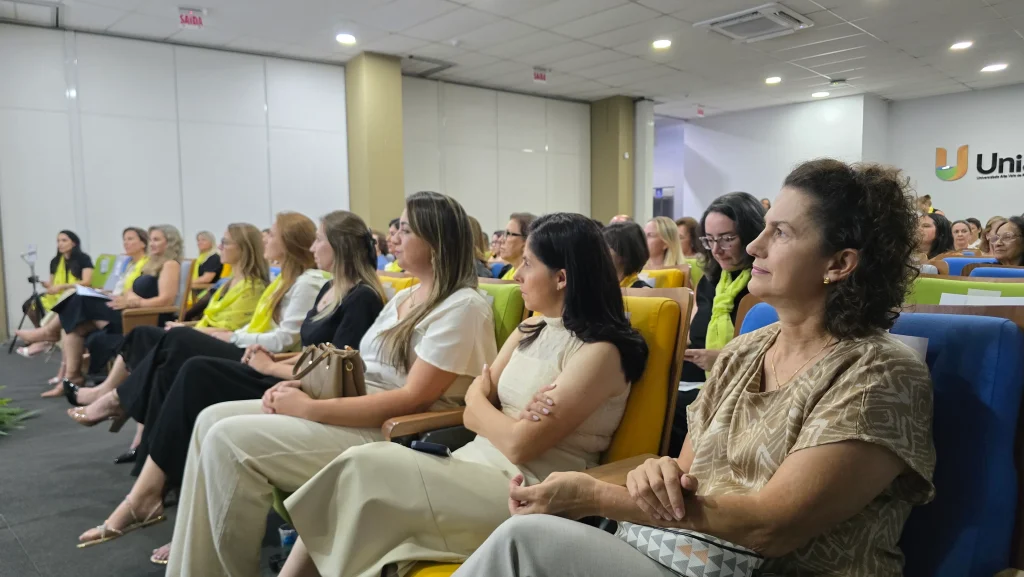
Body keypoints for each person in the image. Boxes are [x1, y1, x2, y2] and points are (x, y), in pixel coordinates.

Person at [462, 159, 935, 577]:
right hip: (681, 557)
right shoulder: (746, 351)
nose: (754, 247)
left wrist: (591, 494)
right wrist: (657, 474)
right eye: (764, 228)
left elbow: (772, 527)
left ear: (840, 262)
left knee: (523, 546)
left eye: (781, 233)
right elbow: (683, 473)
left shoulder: (881, 374)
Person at [268, 212, 648, 577]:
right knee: (357, 467)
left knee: (363, 473)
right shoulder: (531, 328)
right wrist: (487, 407)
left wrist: (484, 403)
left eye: (528, 264)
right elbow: (472, 408)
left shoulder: (599, 352)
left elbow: (520, 446)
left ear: (562, 277)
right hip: (470, 463)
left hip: (527, 489)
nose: (516, 274)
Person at [164, 191, 499, 575]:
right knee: (210, 419)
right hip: (354, 406)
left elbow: (412, 399)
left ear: (437, 243)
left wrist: (310, 408)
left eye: (406, 230)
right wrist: (302, 387)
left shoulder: (463, 307)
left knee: (229, 442)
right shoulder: (404, 296)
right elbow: (360, 366)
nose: (394, 237)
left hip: (391, 431)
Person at [74, 212, 386, 558]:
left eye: (320, 239)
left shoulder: (361, 298)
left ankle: (142, 477)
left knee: (191, 367)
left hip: (306, 391)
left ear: (339, 247)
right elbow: (309, 352)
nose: (313, 245)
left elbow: (338, 371)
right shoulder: (330, 287)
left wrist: (270, 364)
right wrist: (271, 358)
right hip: (287, 372)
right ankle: (154, 497)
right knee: (183, 367)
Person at [64, 214, 318, 448]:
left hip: (253, 353)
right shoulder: (276, 281)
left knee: (169, 341)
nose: (266, 239)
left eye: (271, 235)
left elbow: (280, 338)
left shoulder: (276, 285)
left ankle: (116, 401)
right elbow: (246, 326)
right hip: (244, 344)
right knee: (150, 340)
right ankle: (133, 425)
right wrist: (200, 329)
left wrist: (218, 334)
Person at [672, 192, 765, 456]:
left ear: (750, 234)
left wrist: (722, 359)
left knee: (677, 410)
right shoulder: (712, 281)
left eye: (727, 238)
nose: (716, 249)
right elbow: (692, 333)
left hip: (741, 387)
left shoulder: (763, 284)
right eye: (710, 240)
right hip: (701, 378)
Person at [48, 225, 183, 397]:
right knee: (75, 325)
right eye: (151, 239)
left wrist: (137, 304)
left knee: (80, 299)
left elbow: (166, 300)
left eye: (157, 239)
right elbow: (132, 289)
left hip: (145, 316)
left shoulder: (169, 264)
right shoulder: (151, 263)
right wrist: (128, 298)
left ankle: (49, 333)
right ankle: (70, 378)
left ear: (170, 242)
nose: (152, 244)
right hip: (130, 311)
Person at [21, 230, 94, 328]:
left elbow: (87, 282)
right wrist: (48, 285)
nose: (60, 244)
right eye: (58, 241)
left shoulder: (83, 258)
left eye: (64, 240)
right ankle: (40, 330)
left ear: (73, 243)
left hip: (75, 295)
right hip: (57, 295)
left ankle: (45, 334)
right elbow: (52, 285)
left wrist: (62, 286)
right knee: (29, 305)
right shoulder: (55, 261)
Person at [603, 222, 651, 288]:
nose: (601, 251)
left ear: (624, 254)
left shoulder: (643, 291)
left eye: (606, 247)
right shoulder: (600, 285)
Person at [497, 212, 537, 280]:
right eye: (504, 233)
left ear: (527, 241)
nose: (500, 240)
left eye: (508, 234)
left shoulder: (529, 278)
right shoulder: (509, 271)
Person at [675, 216, 704, 286]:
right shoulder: (668, 261)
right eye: (674, 237)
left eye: (680, 237)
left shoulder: (701, 263)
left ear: (693, 240)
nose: (675, 242)